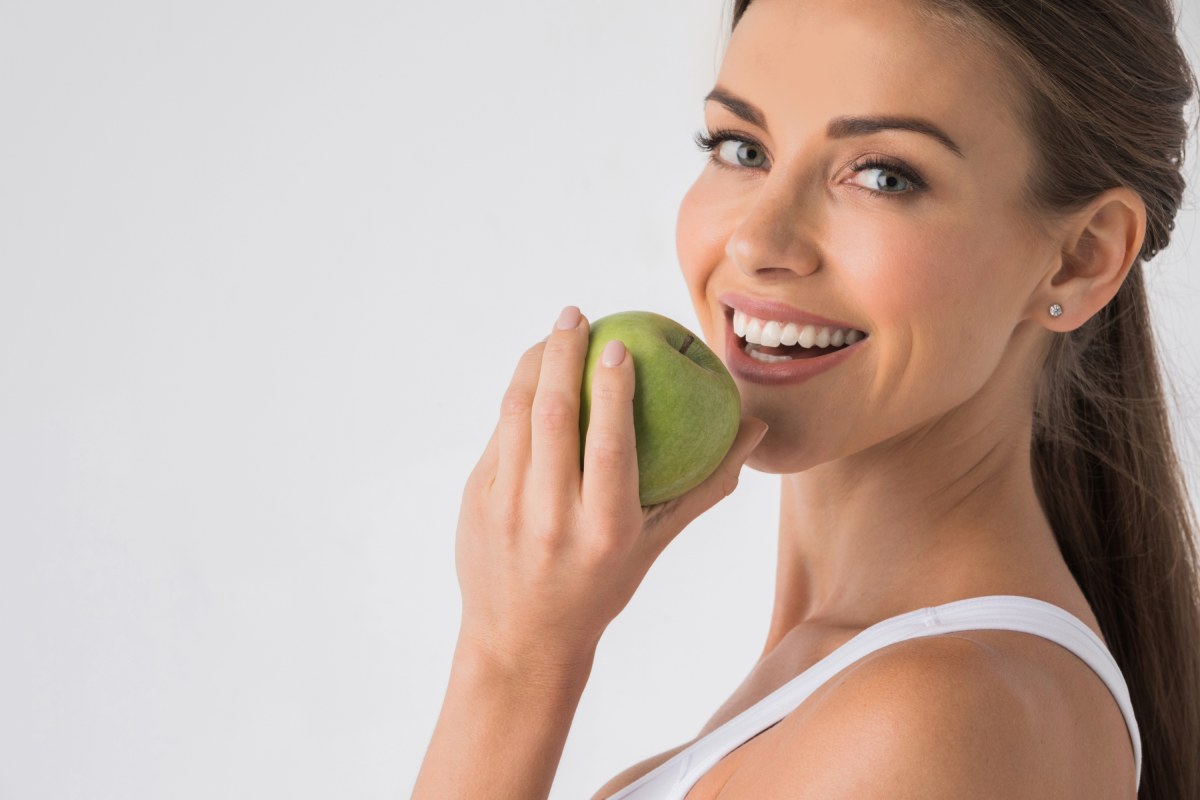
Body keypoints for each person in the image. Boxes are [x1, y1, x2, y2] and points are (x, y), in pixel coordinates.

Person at [413, 0, 1200, 796]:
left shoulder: (933, 717)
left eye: (883, 175)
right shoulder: (873, 683)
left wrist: (511, 664)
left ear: (1082, 259)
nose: (758, 243)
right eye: (742, 147)